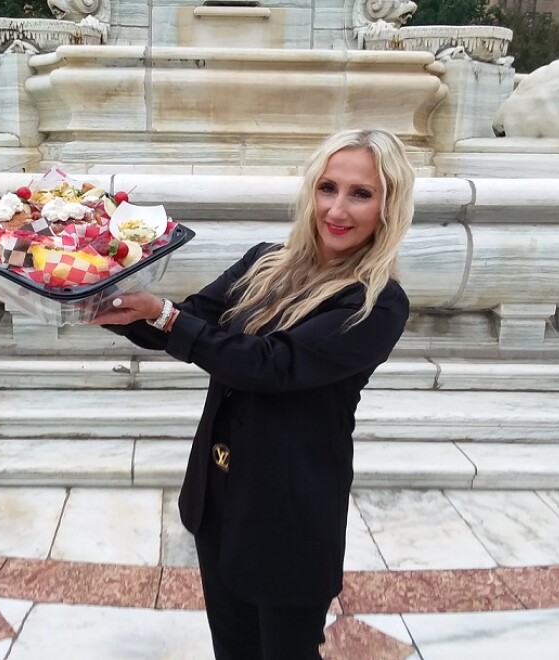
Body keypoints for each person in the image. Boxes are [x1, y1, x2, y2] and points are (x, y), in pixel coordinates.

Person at [92, 128, 415, 660]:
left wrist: (164, 316)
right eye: (327, 187)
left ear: (389, 206)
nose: (337, 208)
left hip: (290, 515)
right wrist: (96, 295)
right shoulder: (265, 260)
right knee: (233, 649)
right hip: (219, 498)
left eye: (361, 193)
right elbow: (191, 319)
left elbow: (271, 366)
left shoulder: (377, 304)